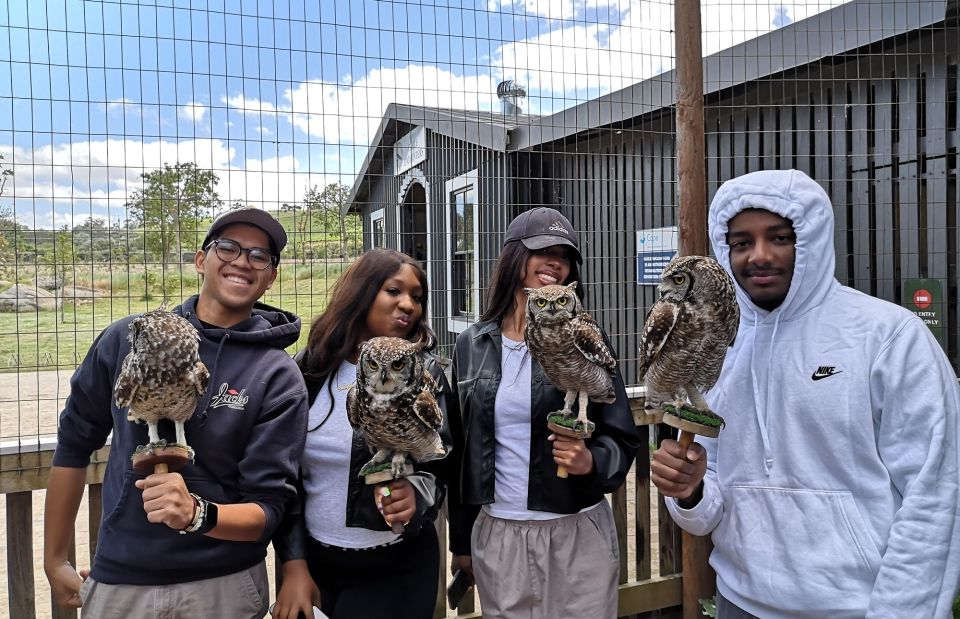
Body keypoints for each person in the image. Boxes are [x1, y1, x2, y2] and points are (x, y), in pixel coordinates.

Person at [651, 169, 960, 618]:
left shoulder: (887, 336)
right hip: (741, 602)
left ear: (812, 239)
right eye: (741, 242)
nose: (759, 255)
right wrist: (690, 491)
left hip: (860, 607)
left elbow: (935, 493)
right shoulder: (720, 346)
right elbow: (712, 495)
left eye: (779, 237)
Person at [44, 207, 309, 618]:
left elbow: (271, 504)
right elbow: (74, 442)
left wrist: (196, 514)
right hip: (122, 576)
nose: (242, 260)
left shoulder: (277, 375)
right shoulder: (126, 339)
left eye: (260, 255)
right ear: (201, 260)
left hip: (225, 583)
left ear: (272, 275)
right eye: (228, 247)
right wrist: (55, 558)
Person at [447, 207, 641, 618]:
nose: (556, 262)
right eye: (543, 251)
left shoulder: (583, 335)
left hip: (575, 530)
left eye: (565, 255)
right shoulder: (471, 345)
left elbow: (622, 432)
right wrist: (461, 542)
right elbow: (461, 452)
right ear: (515, 259)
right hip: (499, 531)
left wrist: (591, 460)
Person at [270, 248, 452, 619]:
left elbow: (444, 459)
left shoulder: (427, 372)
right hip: (316, 561)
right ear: (362, 291)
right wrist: (293, 562)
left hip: (395, 563)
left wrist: (417, 495)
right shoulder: (310, 369)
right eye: (394, 291)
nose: (408, 305)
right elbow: (282, 475)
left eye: (417, 297)